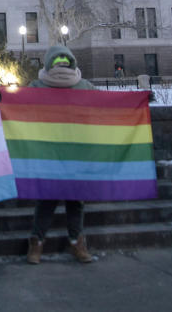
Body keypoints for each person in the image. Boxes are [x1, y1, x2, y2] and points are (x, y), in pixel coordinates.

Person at [25, 45, 97, 266]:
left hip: (48, 152)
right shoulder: (85, 86)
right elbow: (107, 106)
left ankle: (36, 245)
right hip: (77, 152)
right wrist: (137, 101)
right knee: (75, 202)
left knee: (46, 201)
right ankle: (77, 243)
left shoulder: (37, 86)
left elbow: (18, 106)